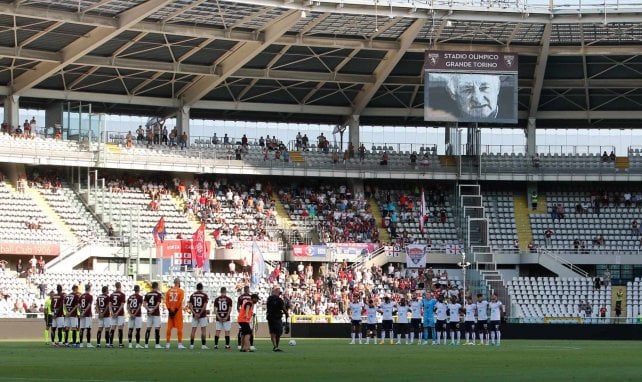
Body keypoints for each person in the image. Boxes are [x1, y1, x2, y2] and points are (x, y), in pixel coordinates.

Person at [266, 286, 289, 352]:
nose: (279, 294)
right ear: (275, 291)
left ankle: (276, 346)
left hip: (273, 317)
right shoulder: (277, 299)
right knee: (275, 332)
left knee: (276, 332)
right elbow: (283, 308)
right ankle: (275, 346)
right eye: (279, 292)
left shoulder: (270, 299)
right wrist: (287, 314)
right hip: (275, 317)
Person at [188, 282, 209, 350]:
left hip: (195, 315)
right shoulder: (204, 295)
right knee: (203, 330)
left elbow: (190, 306)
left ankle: (191, 345)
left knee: (193, 330)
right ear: (202, 288)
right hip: (202, 315)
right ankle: (203, 345)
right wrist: (200, 313)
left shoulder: (192, 295)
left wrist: (195, 313)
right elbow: (204, 306)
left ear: (196, 288)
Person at [165, 277, 185, 349]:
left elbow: (166, 301)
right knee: (179, 328)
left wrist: (169, 310)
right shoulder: (181, 291)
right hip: (177, 312)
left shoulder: (168, 291)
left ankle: (168, 343)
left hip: (170, 312)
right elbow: (179, 302)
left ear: (174, 283)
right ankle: (179, 344)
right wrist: (175, 311)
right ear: (179, 283)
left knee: (169, 328)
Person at [143, 281, 163, 349]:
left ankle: (146, 344)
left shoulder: (147, 294)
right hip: (156, 313)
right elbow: (157, 304)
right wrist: (153, 310)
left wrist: (149, 309)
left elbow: (144, 304)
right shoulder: (158, 294)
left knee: (148, 328)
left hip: (149, 313)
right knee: (157, 328)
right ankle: (157, 344)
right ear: (157, 287)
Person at [236, 285, 255, 350]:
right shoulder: (251, 298)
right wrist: (247, 314)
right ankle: (249, 346)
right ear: (248, 290)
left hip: (241, 317)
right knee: (249, 332)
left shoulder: (240, 297)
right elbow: (249, 307)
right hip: (246, 318)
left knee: (242, 331)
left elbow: (237, 307)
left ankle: (240, 346)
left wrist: (241, 312)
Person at [109, 282, 126, 348]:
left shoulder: (112, 294)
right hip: (120, 313)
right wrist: (117, 313)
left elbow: (110, 304)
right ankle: (120, 344)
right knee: (120, 328)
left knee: (113, 328)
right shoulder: (122, 294)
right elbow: (122, 305)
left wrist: (112, 312)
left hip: (113, 313)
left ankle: (111, 344)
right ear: (120, 286)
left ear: (115, 286)